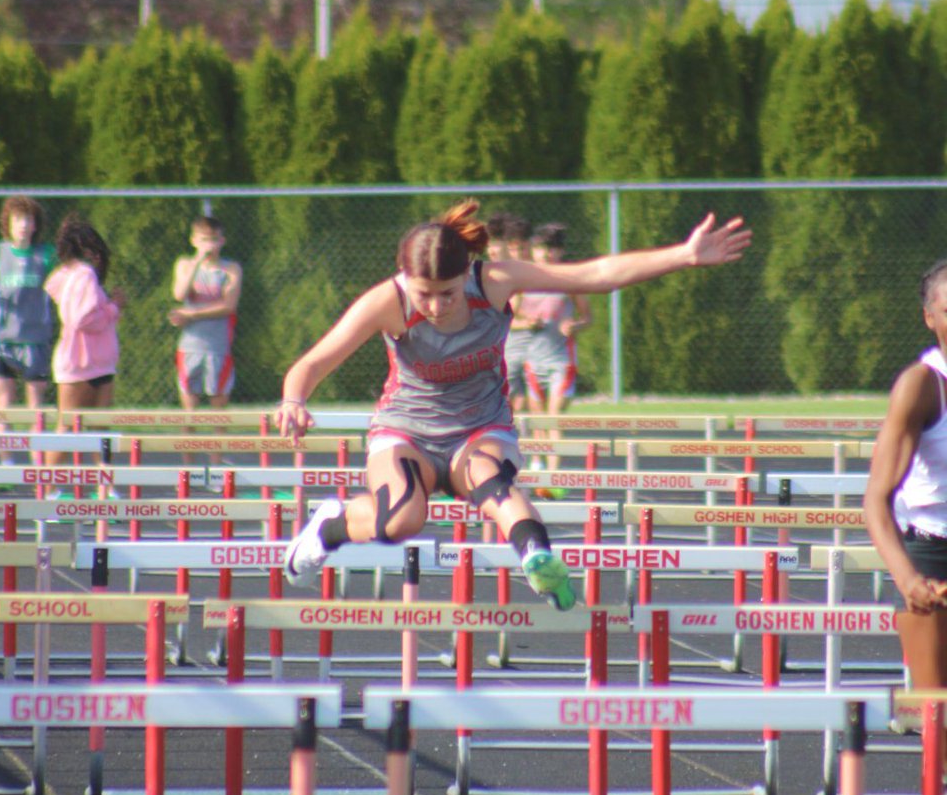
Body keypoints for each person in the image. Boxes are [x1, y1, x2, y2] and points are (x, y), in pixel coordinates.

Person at [276, 199, 751, 611]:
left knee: (488, 476)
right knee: (401, 520)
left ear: (466, 272)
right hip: (406, 432)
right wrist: (294, 400)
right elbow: (314, 361)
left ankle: (537, 558)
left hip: (480, 429)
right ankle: (329, 526)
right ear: (405, 279)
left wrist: (683, 255)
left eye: (448, 294)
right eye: (425, 296)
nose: (436, 307)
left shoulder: (494, 282)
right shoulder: (387, 302)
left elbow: (591, 276)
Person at [865, 259, 947, 693]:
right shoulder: (922, 386)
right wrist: (907, 579)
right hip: (934, 559)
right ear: (930, 318)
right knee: (938, 714)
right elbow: (876, 500)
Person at [517, 223, 592, 498]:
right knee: (538, 421)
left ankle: (554, 476)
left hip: (561, 360)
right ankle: (538, 469)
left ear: (560, 252)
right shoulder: (524, 283)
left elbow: (588, 317)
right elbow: (509, 319)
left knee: (554, 419)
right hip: (533, 360)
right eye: (540, 249)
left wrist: (575, 325)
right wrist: (526, 323)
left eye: (551, 249)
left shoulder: (569, 281)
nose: (546, 254)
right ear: (533, 250)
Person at [0, 197, 57, 457]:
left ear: (36, 225)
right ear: (8, 223)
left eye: (29, 220)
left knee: (35, 407)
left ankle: (37, 466)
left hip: (35, 339)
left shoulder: (46, 255)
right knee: (4, 403)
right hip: (3, 339)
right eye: (18, 219)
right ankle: (6, 465)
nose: (24, 225)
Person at [44, 215, 125, 414]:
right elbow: (82, 319)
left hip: (100, 364)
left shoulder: (72, 274)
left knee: (98, 428)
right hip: (81, 366)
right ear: (88, 250)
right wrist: (114, 308)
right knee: (69, 427)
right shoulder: (83, 273)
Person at [168, 215, 242, 411]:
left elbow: (228, 306)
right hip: (189, 347)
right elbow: (179, 294)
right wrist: (197, 262)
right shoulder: (185, 264)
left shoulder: (231, 269)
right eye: (204, 240)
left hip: (218, 346)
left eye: (214, 240)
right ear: (193, 241)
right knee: (189, 415)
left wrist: (191, 314)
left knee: (219, 414)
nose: (209, 245)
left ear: (222, 241)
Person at [502, 215, 536, 417]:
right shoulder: (503, 276)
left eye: (522, 248)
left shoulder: (539, 273)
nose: (519, 253)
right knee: (514, 400)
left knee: (535, 403)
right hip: (512, 347)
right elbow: (503, 317)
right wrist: (524, 322)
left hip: (540, 349)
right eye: (514, 249)